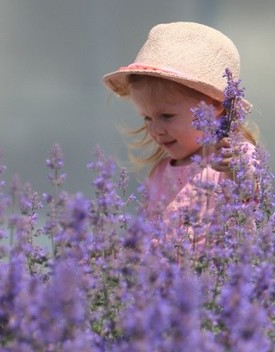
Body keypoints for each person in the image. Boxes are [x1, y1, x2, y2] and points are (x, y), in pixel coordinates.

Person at [103, 21, 259, 227]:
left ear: (215, 106)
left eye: (167, 116)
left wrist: (237, 171)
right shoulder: (160, 172)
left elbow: (247, 195)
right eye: (147, 118)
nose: (155, 130)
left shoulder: (233, 156)